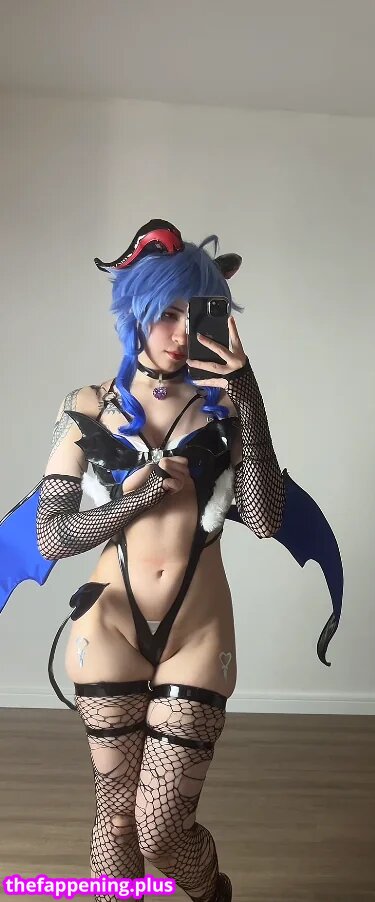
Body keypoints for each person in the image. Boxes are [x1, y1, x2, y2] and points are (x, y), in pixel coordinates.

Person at [34, 219, 286, 902]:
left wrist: (247, 393)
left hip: (196, 630)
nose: (178, 332)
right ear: (135, 311)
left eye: (195, 313)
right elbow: (52, 536)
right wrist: (133, 500)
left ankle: (211, 892)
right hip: (107, 624)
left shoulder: (226, 410)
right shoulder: (89, 407)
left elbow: (266, 519)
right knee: (116, 820)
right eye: (165, 313)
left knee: (161, 828)